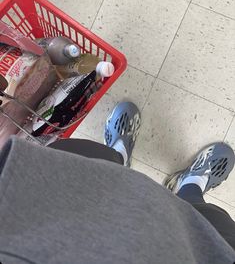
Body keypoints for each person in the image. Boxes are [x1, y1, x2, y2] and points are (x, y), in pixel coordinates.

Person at [0, 102, 234, 264]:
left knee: (82, 168)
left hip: (26, 214)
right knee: (211, 226)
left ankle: (118, 153)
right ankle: (191, 186)